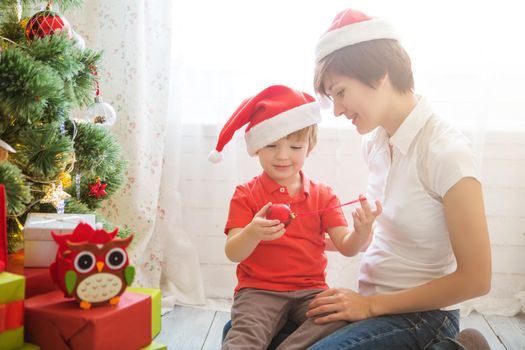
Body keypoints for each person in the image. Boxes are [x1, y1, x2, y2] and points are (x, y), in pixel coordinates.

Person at [303, 8, 492, 349]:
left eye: (341, 92)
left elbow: (477, 280)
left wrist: (371, 305)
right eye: (332, 98)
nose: (338, 110)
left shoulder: (446, 152)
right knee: (245, 330)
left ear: (380, 74)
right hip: (374, 308)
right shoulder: (374, 144)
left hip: (425, 315)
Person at [208, 85, 382, 350]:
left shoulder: (323, 195)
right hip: (258, 291)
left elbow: (347, 247)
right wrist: (252, 232)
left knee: (338, 319)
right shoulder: (246, 194)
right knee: (242, 339)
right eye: (271, 145)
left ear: (309, 147)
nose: (282, 155)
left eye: (295, 146)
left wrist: (361, 231)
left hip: (310, 292)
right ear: (256, 148)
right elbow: (233, 252)